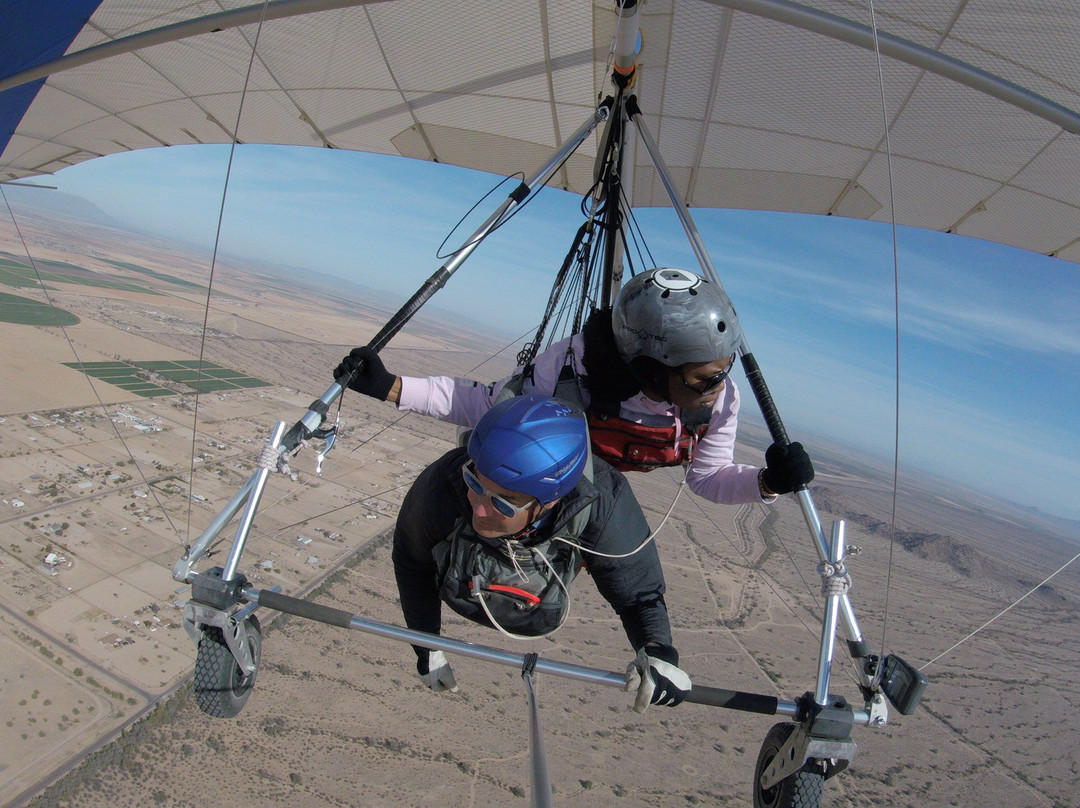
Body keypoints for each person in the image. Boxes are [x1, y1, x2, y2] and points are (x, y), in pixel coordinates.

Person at [335, 267, 814, 505]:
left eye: (723, 371)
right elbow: (487, 405)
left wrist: (768, 483)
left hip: (600, 488)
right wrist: (391, 387)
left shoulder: (718, 402)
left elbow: (707, 479)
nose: (719, 387)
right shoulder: (572, 370)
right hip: (557, 487)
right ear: (650, 369)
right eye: (704, 378)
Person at [391, 393, 691, 713]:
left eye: (503, 502)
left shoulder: (602, 502)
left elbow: (638, 593)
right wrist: (426, 645)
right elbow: (411, 559)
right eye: (475, 483)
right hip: (461, 580)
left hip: (543, 583)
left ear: (549, 501)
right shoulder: (446, 482)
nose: (479, 509)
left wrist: (657, 649)